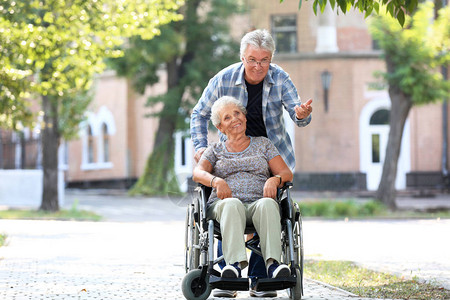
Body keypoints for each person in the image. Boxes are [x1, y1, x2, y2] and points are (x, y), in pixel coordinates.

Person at [190, 28, 313, 298]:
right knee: (230, 204)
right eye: (252, 59)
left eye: (264, 60)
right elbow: (199, 113)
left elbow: (297, 113)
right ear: (242, 57)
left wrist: (301, 114)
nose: (258, 66)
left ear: (271, 59)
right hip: (228, 157)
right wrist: (201, 149)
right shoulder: (223, 79)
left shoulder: (280, 78)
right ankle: (228, 272)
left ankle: (261, 278)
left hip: (268, 154)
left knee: (268, 205)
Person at [192, 96, 294, 285]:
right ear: (220, 127)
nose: (234, 119)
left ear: (245, 118)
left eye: (237, 113)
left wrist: (274, 179)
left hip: (257, 204)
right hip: (224, 206)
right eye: (227, 118)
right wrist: (216, 181)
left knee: (268, 204)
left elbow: (286, 173)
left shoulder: (263, 144)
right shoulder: (215, 150)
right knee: (232, 204)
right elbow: (197, 173)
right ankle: (233, 266)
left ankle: (273, 265)